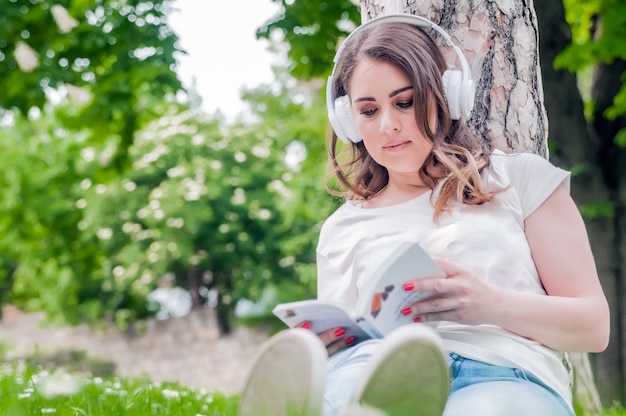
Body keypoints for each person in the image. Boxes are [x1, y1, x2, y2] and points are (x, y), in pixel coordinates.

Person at [238, 13, 610, 416]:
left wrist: (490, 305)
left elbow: (594, 326)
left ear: (445, 96)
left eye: (404, 102)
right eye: (368, 111)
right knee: (347, 378)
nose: (387, 126)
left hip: (500, 372)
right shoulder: (343, 227)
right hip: (379, 369)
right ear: (348, 122)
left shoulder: (518, 178)